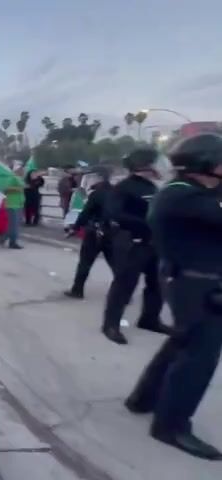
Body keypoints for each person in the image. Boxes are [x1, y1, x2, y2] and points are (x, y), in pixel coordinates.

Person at [124, 133, 222, 460]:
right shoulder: (183, 196)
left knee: (181, 343)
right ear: (206, 163)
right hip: (197, 285)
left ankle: (143, 399)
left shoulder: (189, 192)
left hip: (191, 281)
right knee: (198, 358)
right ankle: (171, 426)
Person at [101, 148, 172, 345]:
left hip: (154, 243)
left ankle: (149, 319)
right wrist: (146, 223)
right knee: (124, 285)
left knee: (157, 284)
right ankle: (110, 325)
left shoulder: (153, 186)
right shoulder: (124, 187)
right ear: (145, 165)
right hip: (132, 242)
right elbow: (113, 214)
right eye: (156, 162)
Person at [64, 167, 115, 299]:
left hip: (94, 232)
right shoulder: (116, 192)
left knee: (85, 262)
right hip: (112, 233)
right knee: (116, 264)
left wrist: (75, 228)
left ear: (99, 177)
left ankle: (77, 290)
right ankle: (123, 292)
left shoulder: (96, 194)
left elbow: (85, 214)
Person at [0, 166, 26, 249]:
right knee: (13, 225)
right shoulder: (12, 178)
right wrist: (17, 189)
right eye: (20, 170)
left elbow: (21, 188)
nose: (22, 171)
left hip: (19, 204)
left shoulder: (20, 179)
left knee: (15, 225)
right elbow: (5, 189)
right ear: (16, 170)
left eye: (23, 170)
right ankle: (12, 242)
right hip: (12, 205)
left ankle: (3, 238)